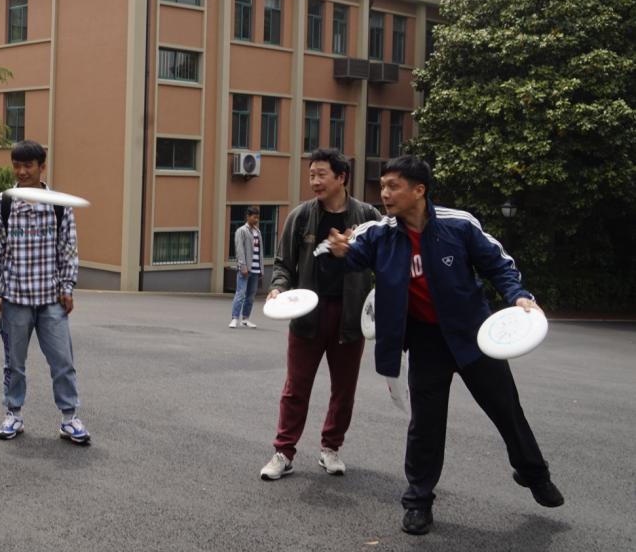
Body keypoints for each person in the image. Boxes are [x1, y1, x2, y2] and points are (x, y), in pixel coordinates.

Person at [325, 155, 563, 535]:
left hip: (473, 337)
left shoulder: (459, 224)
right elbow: (352, 257)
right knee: (426, 426)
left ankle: (534, 474)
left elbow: (498, 264)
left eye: (393, 186)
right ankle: (418, 502)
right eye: (382, 186)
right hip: (425, 343)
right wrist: (340, 252)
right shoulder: (379, 233)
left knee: (506, 410)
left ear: (419, 190)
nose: (384, 193)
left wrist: (518, 296)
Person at [259, 148, 380, 481]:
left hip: (350, 315)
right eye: (311, 174)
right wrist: (278, 288)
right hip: (307, 313)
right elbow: (283, 264)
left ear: (341, 177)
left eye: (321, 174)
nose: (314, 181)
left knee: (344, 389)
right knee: (296, 387)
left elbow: (385, 259)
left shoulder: (367, 216)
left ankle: (331, 448)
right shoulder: (300, 216)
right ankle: (284, 452)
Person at [0, 140, 88, 444]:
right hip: (15, 299)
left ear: (42, 167)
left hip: (51, 299)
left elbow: (68, 249)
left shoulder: (59, 204)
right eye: (17, 165)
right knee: (14, 364)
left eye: (28, 165)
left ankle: (69, 418)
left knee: (63, 361)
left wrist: (67, 287)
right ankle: (13, 414)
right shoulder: (2, 203)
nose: (22, 171)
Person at [230, 206, 263, 329]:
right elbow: (239, 250)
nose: (256, 220)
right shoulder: (241, 231)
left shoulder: (258, 231)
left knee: (251, 296)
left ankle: (245, 319)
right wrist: (243, 266)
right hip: (245, 269)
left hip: (256, 269)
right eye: (254, 217)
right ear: (248, 217)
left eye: (258, 217)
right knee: (240, 294)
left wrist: (261, 269)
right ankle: (234, 318)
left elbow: (260, 252)